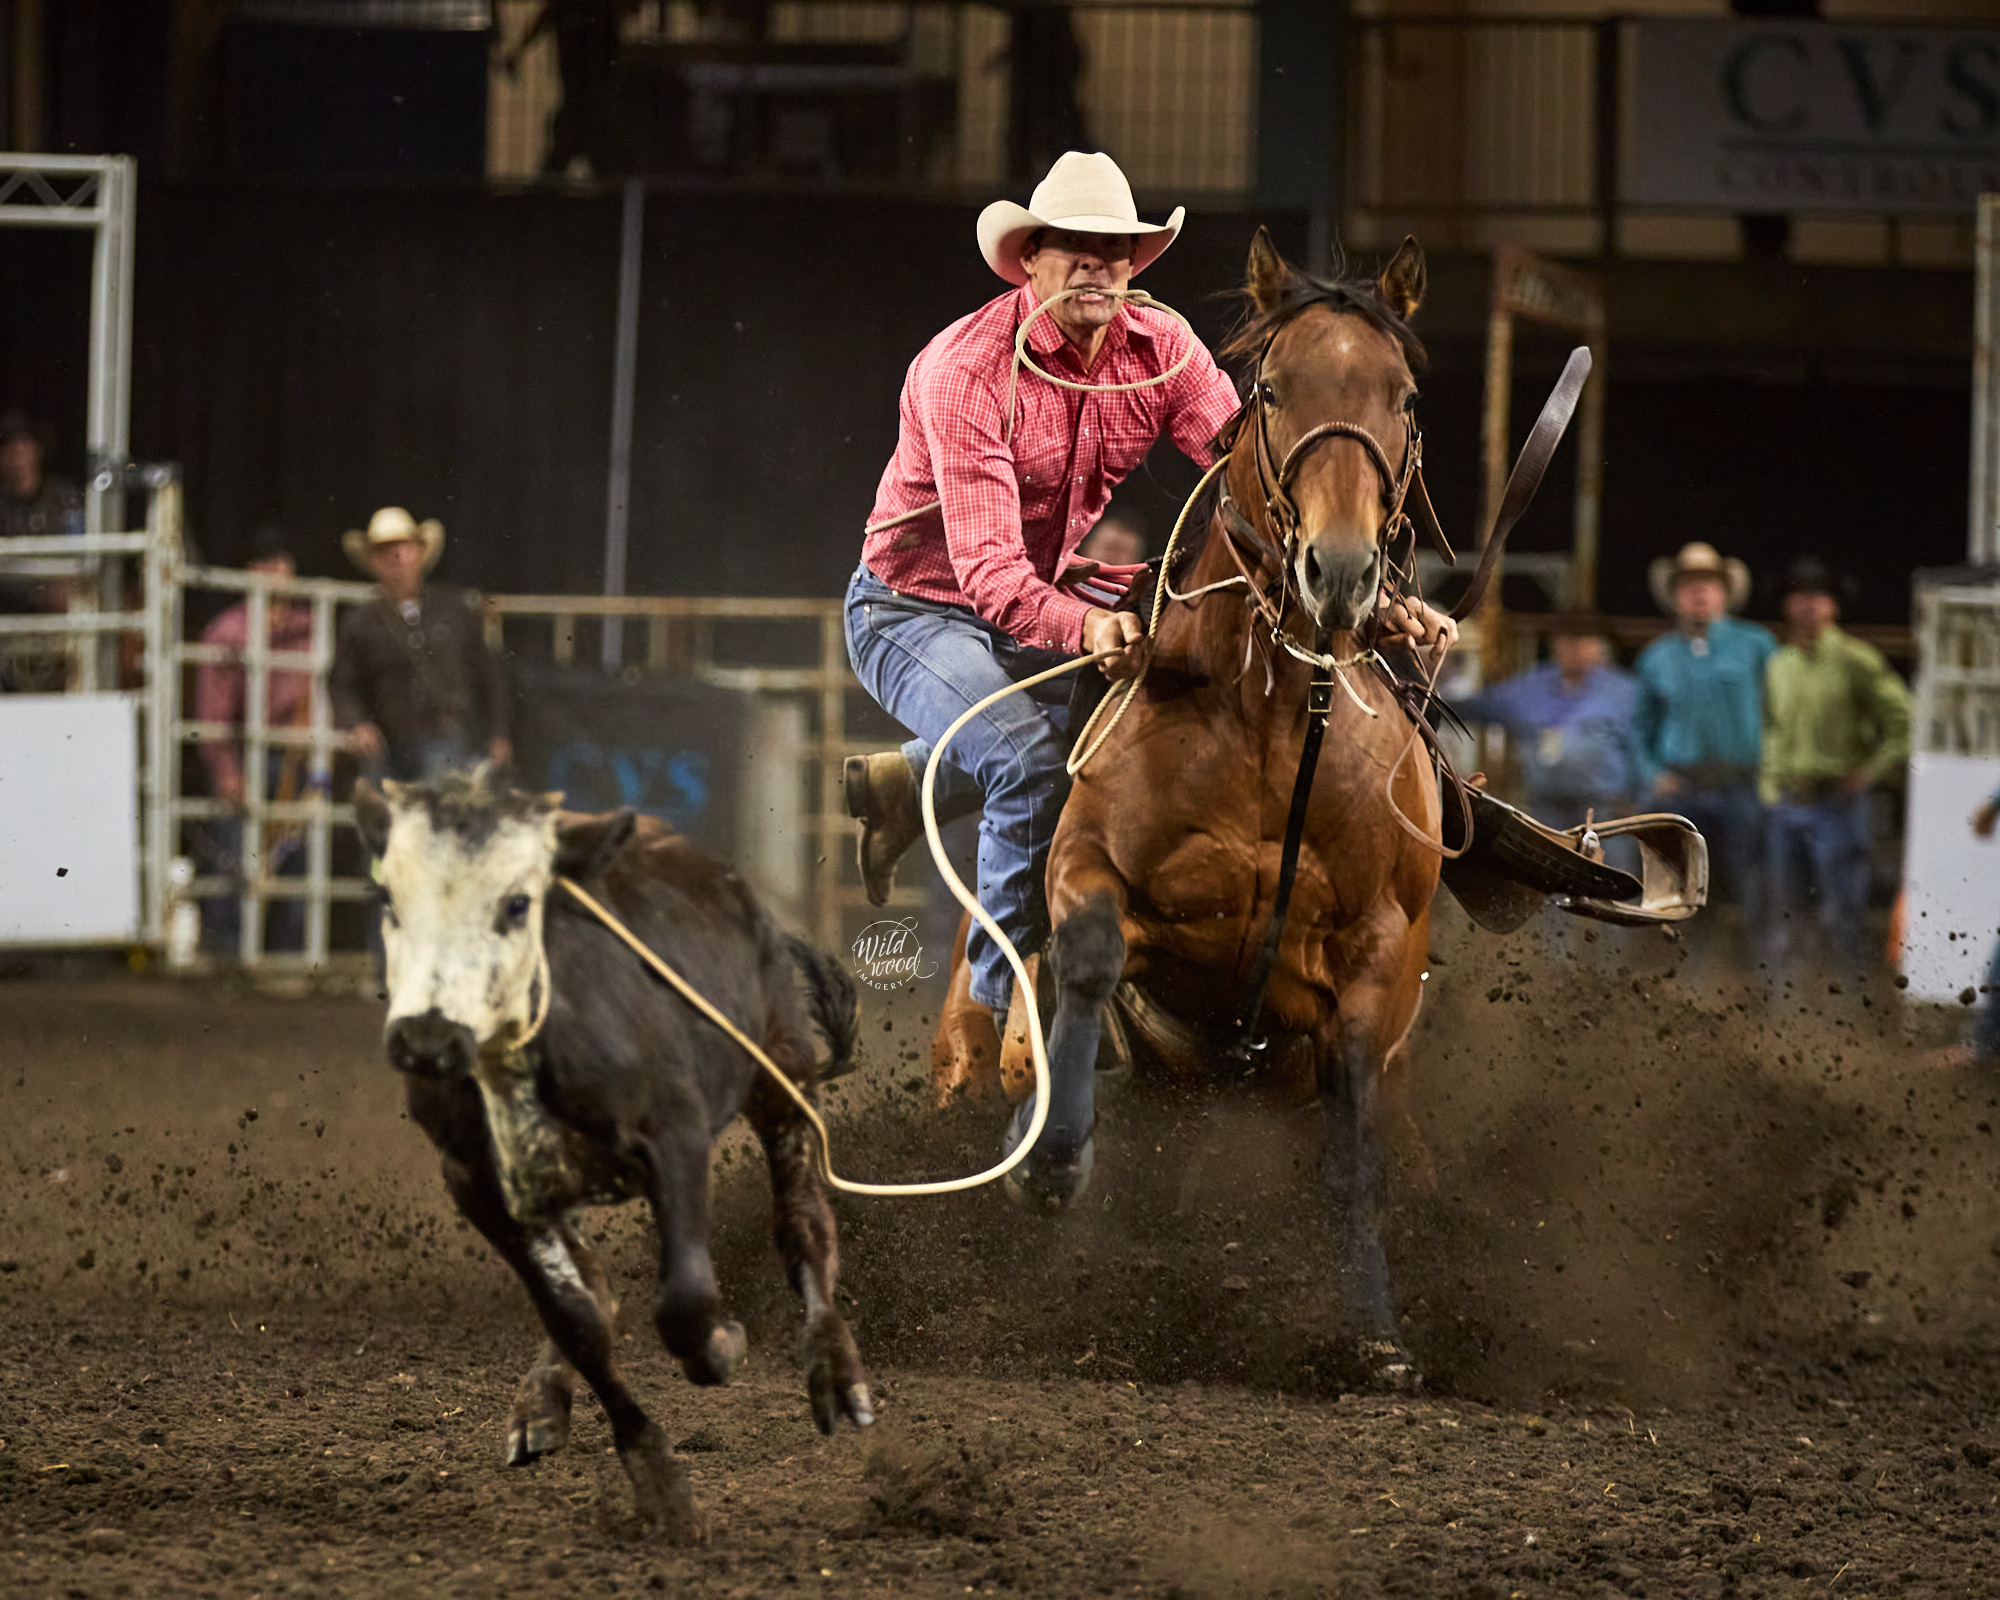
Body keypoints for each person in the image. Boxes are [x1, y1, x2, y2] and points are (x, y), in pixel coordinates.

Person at [841, 151, 1454, 1028]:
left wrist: (1370, 587)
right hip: (918, 609)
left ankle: (916, 782)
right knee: (1026, 758)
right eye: (1075, 248)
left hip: (1052, 587)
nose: (1099, 265)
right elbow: (988, 576)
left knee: (1179, 681)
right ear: (1031, 261)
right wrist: (1089, 630)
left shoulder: (1162, 347)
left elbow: (1251, 473)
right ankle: (990, 1000)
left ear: (1135, 264)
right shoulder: (966, 371)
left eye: (1116, 250)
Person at [1759, 554, 1911, 972]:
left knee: (1842, 916)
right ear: (1788, 606)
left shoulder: (1856, 660)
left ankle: (1851, 1016)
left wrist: (1869, 772)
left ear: (1833, 606)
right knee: (1784, 913)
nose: (1808, 605)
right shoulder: (1780, 663)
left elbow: (1903, 721)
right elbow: (1773, 728)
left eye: (1817, 596)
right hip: (1789, 799)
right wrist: (1770, 785)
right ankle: (1781, 1016)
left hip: (1837, 802)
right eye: (1799, 596)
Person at [1632, 542, 1776, 944]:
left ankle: (1768, 983)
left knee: (1755, 889)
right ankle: (1686, 984)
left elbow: (1780, 713)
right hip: (1681, 787)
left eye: (1709, 584)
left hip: (1742, 784)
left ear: (1724, 593)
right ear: (1675, 596)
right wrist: (1652, 773)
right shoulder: (1656, 657)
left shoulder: (1757, 645)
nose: (1699, 593)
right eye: (1689, 585)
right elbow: (1640, 727)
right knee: (1680, 895)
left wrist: (1774, 771)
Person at [193, 524, 316, 953]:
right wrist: (227, 771)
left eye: (283, 562)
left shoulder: (308, 626)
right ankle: (227, 948)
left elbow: (316, 692)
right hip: (245, 754)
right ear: (251, 570)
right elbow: (213, 713)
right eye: (267, 563)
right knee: (235, 852)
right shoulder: (228, 631)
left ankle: (293, 950)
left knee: (297, 855)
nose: (277, 571)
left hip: (296, 756)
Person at [331, 507, 512, 783]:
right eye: (385, 550)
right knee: (385, 814)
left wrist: (500, 733)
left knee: (431, 805)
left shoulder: (456, 609)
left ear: (419, 552)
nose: (397, 557)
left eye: (403, 548)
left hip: (445, 735)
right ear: (374, 561)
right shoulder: (361, 621)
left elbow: (491, 676)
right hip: (386, 745)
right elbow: (340, 683)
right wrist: (358, 724)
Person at [1453, 613, 1636, 832]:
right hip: (1545, 803)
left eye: (1582, 640)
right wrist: (1430, 699)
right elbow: (1485, 705)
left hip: (1604, 807)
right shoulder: (1532, 686)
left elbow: (1642, 743)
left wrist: (1641, 798)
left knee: (1609, 864)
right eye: (1566, 639)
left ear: (1602, 647)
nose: (1573, 648)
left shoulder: (1624, 691)